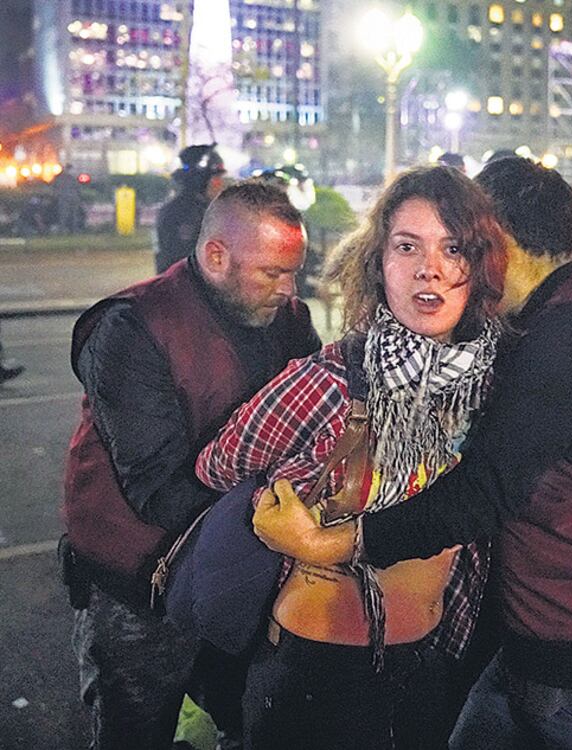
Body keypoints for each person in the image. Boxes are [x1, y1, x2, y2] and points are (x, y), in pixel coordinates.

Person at [251, 156, 572, 749]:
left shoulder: (569, 338)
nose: (444, 267)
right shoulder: (566, 312)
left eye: (459, 244)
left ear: (494, 239)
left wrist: (328, 542)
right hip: (560, 649)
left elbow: (483, 493)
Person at [193, 166, 507, 750]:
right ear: (379, 263)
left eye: (453, 247)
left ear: (479, 264)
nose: (429, 267)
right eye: (406, 246)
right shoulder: (332, 379)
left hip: (431, 660)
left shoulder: (489, 385)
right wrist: (279, 498)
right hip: (319, 668)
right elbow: (218, 464)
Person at [60, 180, 320, 749]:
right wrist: (279, 514)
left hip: (242, 572)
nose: (289, 288)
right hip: (140, 584)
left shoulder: (290, 320)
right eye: (273, 273)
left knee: (241, 721)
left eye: (293, 272)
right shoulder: (132, 327)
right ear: (215, 256)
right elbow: (155, 488)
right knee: (137, 729)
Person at [155, 144, 227, 273]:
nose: (220, 184)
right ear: (200, 180)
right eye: (216, 178)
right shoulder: (181, 213)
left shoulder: (208, 209)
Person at [54, 163, 84, 233]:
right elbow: (78, 189)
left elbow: (55, 189)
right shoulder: (73, 178)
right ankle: (72, 230)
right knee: (70, 215)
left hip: (65, 199)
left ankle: (64, 230)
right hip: (71, 198)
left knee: (66, 215)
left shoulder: (59, 178)